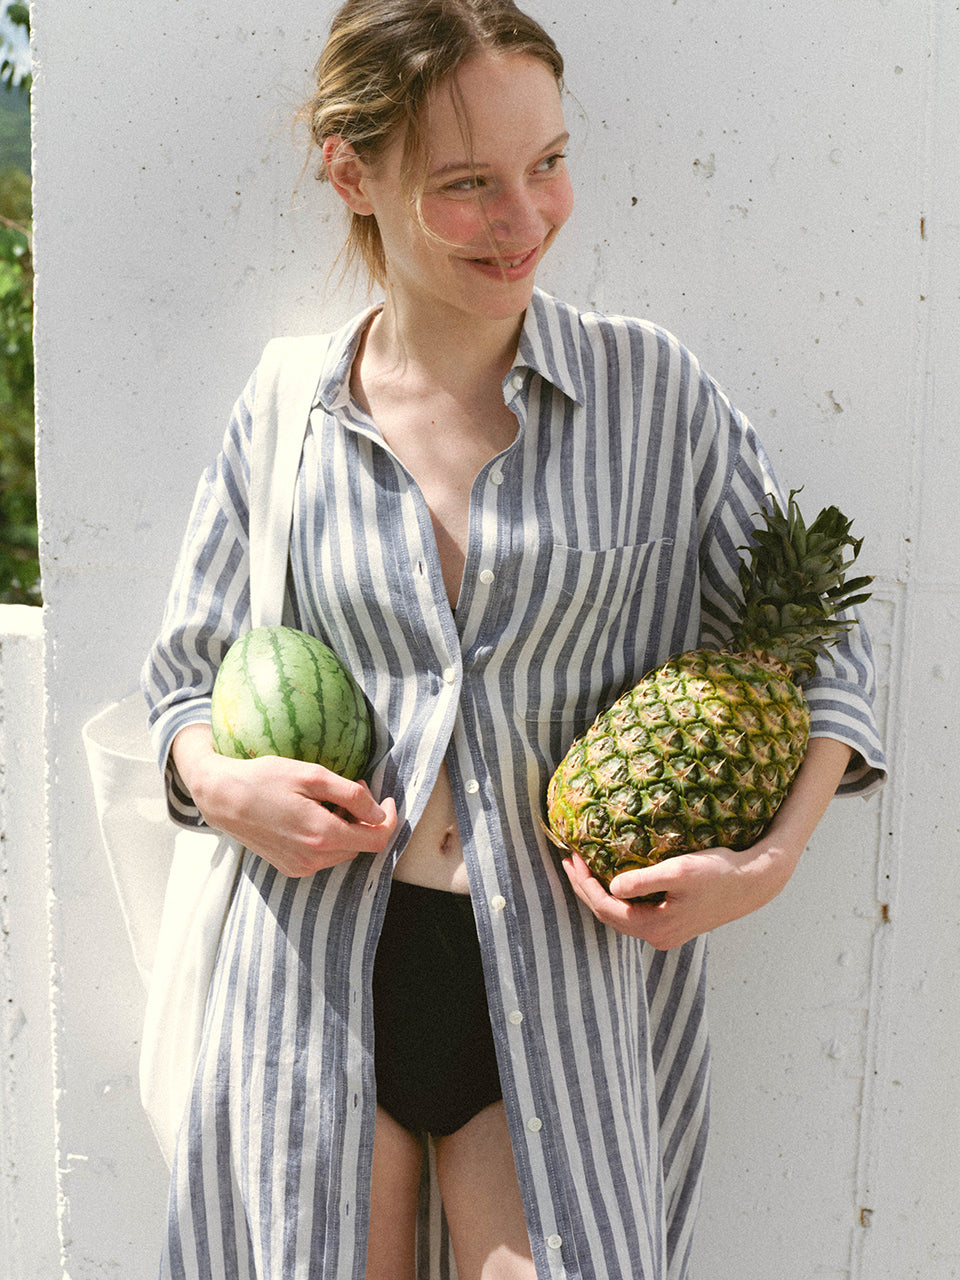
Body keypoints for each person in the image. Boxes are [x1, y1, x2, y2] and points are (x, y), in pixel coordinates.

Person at [142, 1, 887, 1277]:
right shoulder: (286, 413)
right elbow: (179, 688)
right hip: (316, 979)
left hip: (565, 984)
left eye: (547, 165)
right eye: (468, 184)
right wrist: (226, 783)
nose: (527, 218)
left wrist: (764, 866)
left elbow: (829, 665)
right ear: (350, 171)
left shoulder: (654, 397)